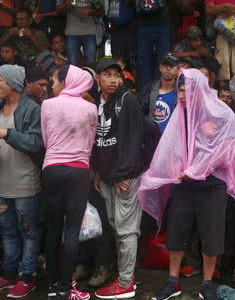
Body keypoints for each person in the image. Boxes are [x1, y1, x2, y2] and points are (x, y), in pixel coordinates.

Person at [139, 68, 235, 300]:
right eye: (179, 91)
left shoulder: (222, 115)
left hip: (213, 186)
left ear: (200, 90)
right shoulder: (180, 114)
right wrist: (168, 169)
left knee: (211, 237)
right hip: (184, 184)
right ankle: (173, 281)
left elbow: (226, 151)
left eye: (185, 91)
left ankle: (206, 284)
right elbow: (170, 147)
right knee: (177, 233)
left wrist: (197, 170)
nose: (181, 96)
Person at [0, 64, 44, 298]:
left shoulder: (31, 109)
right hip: (1, 184)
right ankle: (8, 275)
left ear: (13, 85)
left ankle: (28, 278)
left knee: (28, 231)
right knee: (6, 231)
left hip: (26, 183)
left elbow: (37, 143)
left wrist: (7, 134)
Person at [41, 64, 97, 300]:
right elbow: (90, 143)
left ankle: (53, 285)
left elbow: (46, 139)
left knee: (53, 229)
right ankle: (66, 287)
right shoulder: (91, 109)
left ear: (66, 82)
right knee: (72, 231)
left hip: (52, 169)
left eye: (54, 81)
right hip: (79, 172)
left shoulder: (47, 105)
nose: (52, 85)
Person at [91, 59, 146, 299]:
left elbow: (135, 141)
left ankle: (125, 283)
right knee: (115, 225)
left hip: (124, 177)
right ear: (98, 78)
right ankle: (125, 276)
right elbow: (98, 141)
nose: (114, 79)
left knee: (126, 230)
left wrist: (124, 173)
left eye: (117, 75)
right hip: (107, 177)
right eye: (108, 75)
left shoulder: (128, 101)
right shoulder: (98, 103)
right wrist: (98, 171)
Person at [205, 0, 235, 84]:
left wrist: (231, 13)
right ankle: (223, 95)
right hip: (221, 34)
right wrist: (225, 6)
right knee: (223, 70)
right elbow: (208, 9)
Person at [139, 52, 180, 134]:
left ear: (178, 69)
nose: (168, 68)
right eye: (165, 65)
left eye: (171, 66)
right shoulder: (147, 90)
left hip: (173, 140)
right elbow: (139, 117)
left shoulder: (182, 92)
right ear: (160, 68)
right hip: (151, 140)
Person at [55, 0, 105, 66]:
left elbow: (102, 11)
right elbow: (58, 11)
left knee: (91, 63)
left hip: (89, 32)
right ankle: (74, 76)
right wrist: (66, 3)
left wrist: (89, 11)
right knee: (72, 65)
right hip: (71, 32)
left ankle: (90, 76)